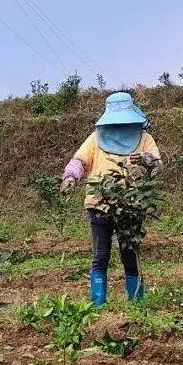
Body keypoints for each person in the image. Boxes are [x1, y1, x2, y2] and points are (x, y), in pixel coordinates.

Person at [61, 92, 161, 306]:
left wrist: (147, 160)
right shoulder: (96, 137)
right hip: (100, 204)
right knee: (101, 255)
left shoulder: (143, 138)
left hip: (131, 205)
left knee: (130, 253)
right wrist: (70, 177)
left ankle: (136, 302)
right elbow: (79, 160)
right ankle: (98, 304)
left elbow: (157, 164)